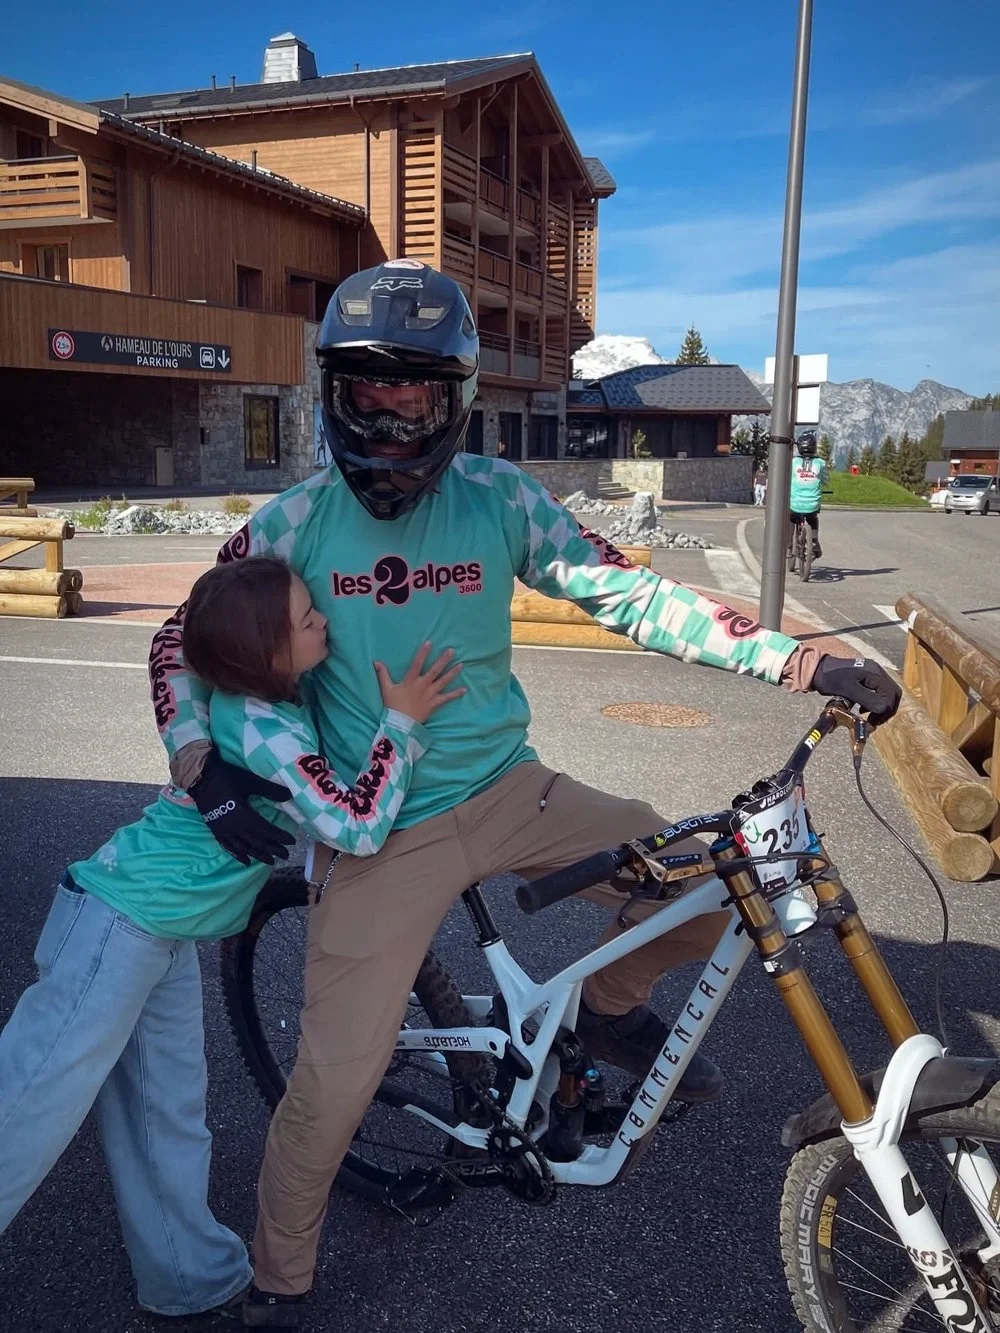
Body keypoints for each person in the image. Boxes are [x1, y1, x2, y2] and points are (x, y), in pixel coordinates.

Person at [144, 262, 900, 1328]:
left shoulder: (497, 499)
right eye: (372, 389)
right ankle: (279, 1279)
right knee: (332, 1088)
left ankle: (605, 1018)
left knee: (720, 884)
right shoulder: (293, 524)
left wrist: (800, 663)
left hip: (511, 788)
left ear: (453, 400)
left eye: (418, 392)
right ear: (335, 392)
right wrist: (197, 762)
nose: (396, 412)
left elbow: (628, 590)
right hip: (379, 829)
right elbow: (181, 636)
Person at [0, 554, 461, 1321]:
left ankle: (190, 1277)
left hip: (161, 932)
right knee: (26, 1108)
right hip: (117, 921)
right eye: (305, 617)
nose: (322, 619)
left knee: (166, 1111)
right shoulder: (263, 729)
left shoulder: (266, 693)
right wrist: (402, 726)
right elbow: (357, 824)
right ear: (263, 651)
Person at [788, 429, 827, 558]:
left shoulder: (793, 463)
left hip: (795, 503)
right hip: (812, 503)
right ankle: (814, 540)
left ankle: (789, 544)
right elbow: (825, 480)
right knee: (812, 517)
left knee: (791, 518)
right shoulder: (820, 463)